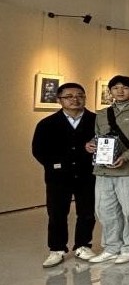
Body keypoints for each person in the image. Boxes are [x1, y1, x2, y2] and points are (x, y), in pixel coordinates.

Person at [84, 75, 129, 264]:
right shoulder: (102, 113)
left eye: (125, 87)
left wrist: (126, 156)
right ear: (110, 91)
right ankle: (111, 247)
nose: (120, 91)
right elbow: (98, 136)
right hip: (103, 170)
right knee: (105, 210)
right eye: (115, 88)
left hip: (128, 169)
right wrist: (91, 144)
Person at [32, 82, 97, 267]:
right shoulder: (47, 124)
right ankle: (57, 249)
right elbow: (39, 151)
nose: (75, 99)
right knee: (57, 213)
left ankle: (83, 245)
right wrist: (56, 165)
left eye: (80, 95)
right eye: (69, 96)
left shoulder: (96, 120)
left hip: (88, 174)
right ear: (59, 100)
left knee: (87, 212)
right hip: (58, 177)